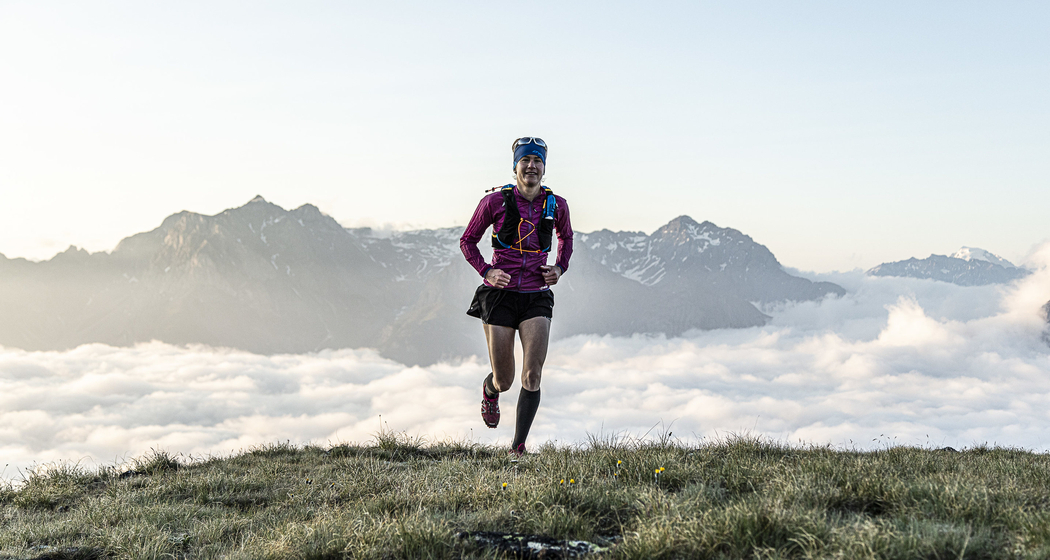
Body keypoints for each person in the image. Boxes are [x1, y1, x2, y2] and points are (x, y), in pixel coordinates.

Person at [460, 137, 573, 457]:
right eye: (526, 161)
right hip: (500, 295)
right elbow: (468, 240)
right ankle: (489, 389)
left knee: (533, 374)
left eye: (537, 161)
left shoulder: (557, 204)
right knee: (505, 378)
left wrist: (560, 268)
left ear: (544, 168)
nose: (532, 166)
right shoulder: (494, 202)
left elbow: (567, 237)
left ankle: (518, 447)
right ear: (515, 167)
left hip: (536, 294)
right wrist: (486, 271)